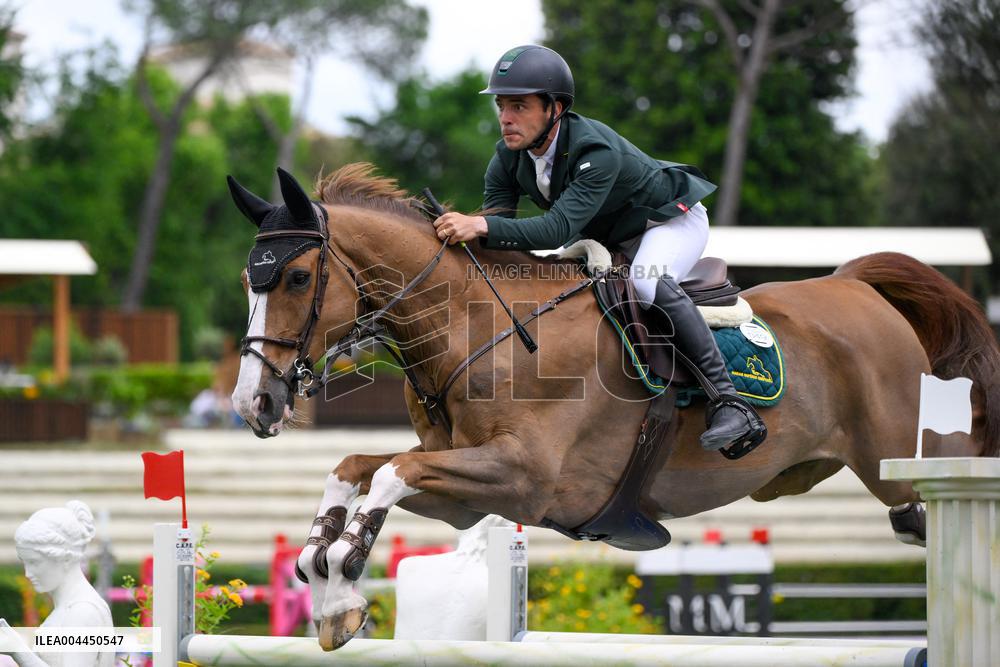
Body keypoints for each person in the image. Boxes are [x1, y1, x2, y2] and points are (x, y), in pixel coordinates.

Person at [432, 44, 765, 453]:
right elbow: (498, 235)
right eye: (501, 106)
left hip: (667, 220)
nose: (505, 118)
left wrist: (478, 223)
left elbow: (554, 230)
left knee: (645, 284)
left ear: (554, 108)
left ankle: (728, 400)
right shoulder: (507, 157)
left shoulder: (595, 150)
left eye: (519, 106)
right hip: (609, 232)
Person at [0, 501, 114, 667]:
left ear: (65, 558)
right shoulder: (68, 609)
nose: (28, 573)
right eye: (25, 563)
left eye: (34, 562)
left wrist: (19, 651)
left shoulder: (82, 612)